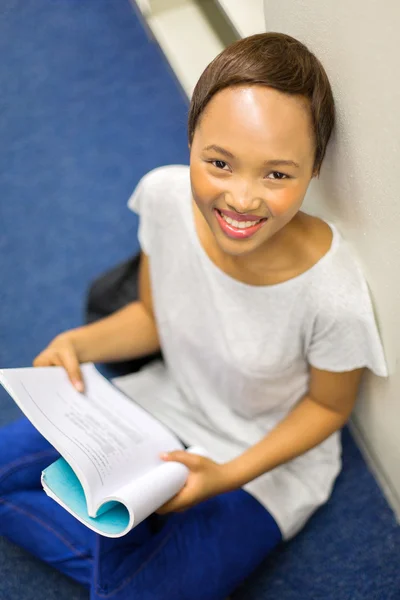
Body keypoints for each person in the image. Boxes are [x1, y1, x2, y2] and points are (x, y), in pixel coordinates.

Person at [0, 32, 388, 600]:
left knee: (135, 590)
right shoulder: (162, 196)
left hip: (260, 464)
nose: (242, 199)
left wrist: (226, 476)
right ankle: (120, 544)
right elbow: (155, 318)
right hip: (159, 406)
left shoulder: (331, 291)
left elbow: (328, 408)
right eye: (219, 163)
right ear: (191, 142)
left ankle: (117, 546)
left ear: (314, 169)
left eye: (277, 174)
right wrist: (80, 343)